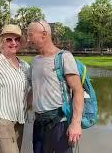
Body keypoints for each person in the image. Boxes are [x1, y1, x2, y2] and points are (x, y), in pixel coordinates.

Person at [26, 20, 84, 153]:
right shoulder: (35, 61)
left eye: (30, 35)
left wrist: (75, 124)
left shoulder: (64, 57)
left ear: (44, 34)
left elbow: (78, 91)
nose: (28, 39)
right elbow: (34, 91)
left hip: (60, 122)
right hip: (39, 123)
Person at [0, 24, 30, 153]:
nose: (13, 43)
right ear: (2, 42)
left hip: (20, 119)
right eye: (9, 39)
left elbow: (34, 87)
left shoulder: (25, 66)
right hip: (2, 120)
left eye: (17, 39)